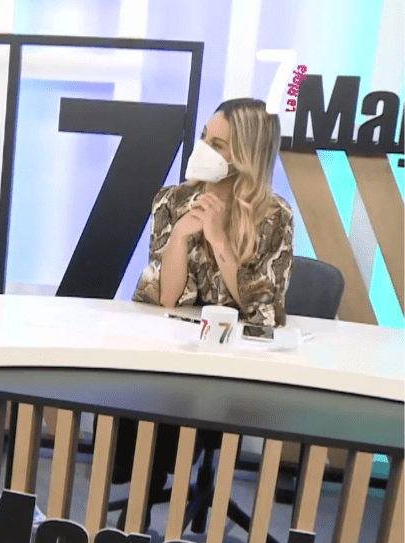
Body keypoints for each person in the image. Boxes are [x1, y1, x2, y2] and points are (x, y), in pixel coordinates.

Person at [112, 98, 295, 520]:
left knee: (176, 402)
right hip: (177, 353)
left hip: (236, 365)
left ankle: (149, 496)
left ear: (246, 155)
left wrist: (218, 239)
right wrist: (180, 236)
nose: (204, 150)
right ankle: (141, 493)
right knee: (145, 384)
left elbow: (263, 313)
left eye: (218, 144)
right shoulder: (174, 200)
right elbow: (166, 300)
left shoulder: (275, 216)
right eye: (204, 138)